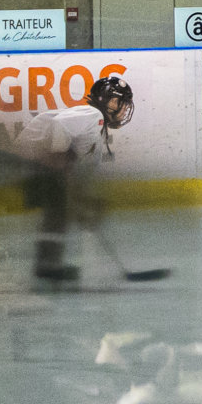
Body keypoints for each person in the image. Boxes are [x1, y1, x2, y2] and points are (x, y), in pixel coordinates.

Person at [26, 71, 135, 285]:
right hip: (37, 159)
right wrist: (58, 157)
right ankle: (47, 267)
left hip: (37, 160)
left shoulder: (96, 125)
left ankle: (47, 266)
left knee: (58, 212)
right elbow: (59, 123)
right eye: (119, 102)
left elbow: (79, 168)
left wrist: (79, 196)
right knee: (58, 211)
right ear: (106, 101)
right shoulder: (92, 115)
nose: (123, 109)